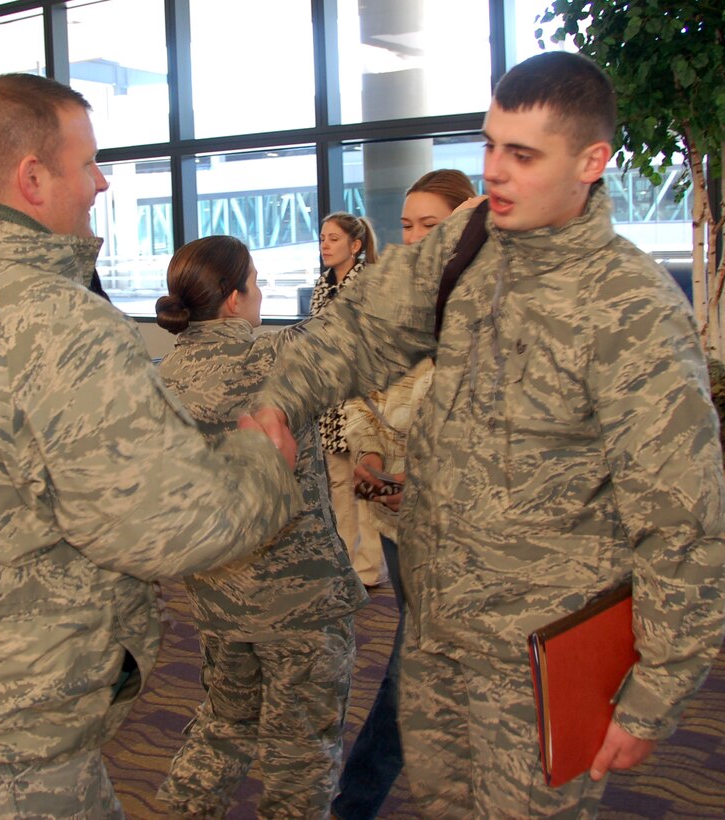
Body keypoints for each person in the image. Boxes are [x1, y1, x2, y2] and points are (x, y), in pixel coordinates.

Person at [248, 51, 725, 817]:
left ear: (592, 162)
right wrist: (282, 398)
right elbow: (367, 327)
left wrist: (656, 693)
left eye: (523, 154)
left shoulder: (631, 310)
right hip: (436, 635)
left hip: (535, 662)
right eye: (491, 145)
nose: (495, 172)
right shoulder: (470, 238)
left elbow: (683, 522)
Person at [0, 73, 302, 819]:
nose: (102, 182)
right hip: (14, 712)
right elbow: (162, 522)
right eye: (87, 163)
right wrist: (263, 468)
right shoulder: (56, 324)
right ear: (32, 178)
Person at [153, 235, 368, 818]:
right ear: (231, 299)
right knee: (300, 756)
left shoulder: (160, 378)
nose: (262, 292)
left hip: (216, 594)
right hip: (299, 600)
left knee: (223, 726)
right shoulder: (276, 358)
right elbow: (366, 324)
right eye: (256, 281)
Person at [331, 168, 478, 820]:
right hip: (400, 525)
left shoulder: (492, 308)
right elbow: (363, 396)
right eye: (408, 225)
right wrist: (367, 458)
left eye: (432, 225)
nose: (415, 237)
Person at [312, 211, 387, 587]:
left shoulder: (371, 283)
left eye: (333, 238)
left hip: (361, 399)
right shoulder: (321, 285)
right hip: (329, 399)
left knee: (365, 484)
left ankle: (371, 567)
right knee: (339, 485)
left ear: (355, 246)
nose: (325, 244)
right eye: (323, 237)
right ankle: (346, 561)